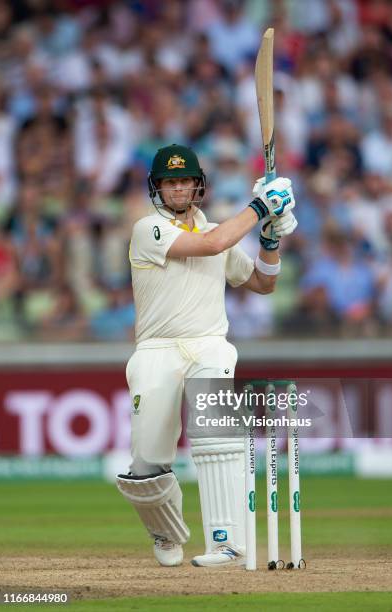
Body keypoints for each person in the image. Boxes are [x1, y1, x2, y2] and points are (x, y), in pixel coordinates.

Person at [115, 143, 297, 568]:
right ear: (157, 188)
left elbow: (262, 282)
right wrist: (260, 207)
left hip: (209, 343)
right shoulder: (148, 230)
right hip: (156, 349)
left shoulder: (219, 230)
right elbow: (213, 244)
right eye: (169, 182)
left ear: (198, 186)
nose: (177, 189)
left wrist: (271, 239)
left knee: (215, 431)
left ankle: (226, 543)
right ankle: (165, 531)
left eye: (184, 181)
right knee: (145, 465)